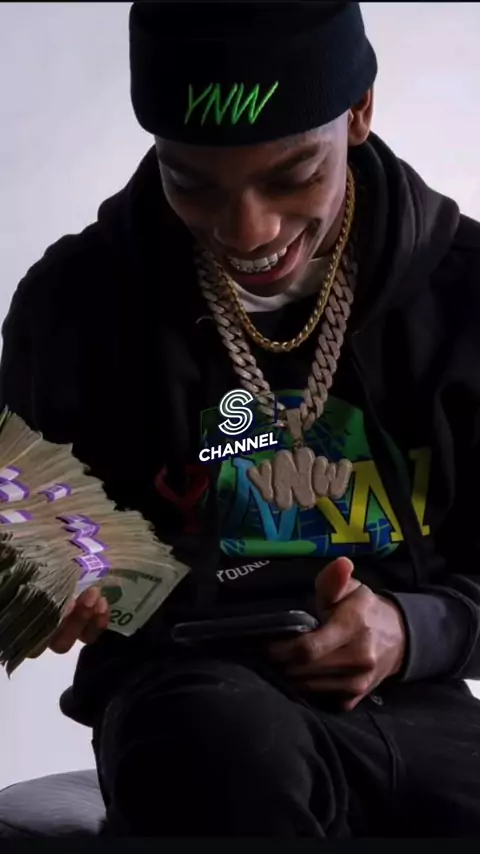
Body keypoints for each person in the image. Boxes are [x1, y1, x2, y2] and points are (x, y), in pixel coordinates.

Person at [2, 0, 480, 838]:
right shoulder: (74, 305)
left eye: (292, 175)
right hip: (184, 697)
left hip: (419, 702)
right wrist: (38, 583)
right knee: (222, 755)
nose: (248, 230)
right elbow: (30, 540)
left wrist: (412, 629)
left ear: (359, 111)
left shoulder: (466, 294)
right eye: (192, 183)